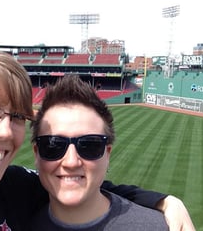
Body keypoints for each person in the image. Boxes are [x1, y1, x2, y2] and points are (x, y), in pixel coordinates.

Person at [0, 48, 195, 230]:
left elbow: (80, 180)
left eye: (17, 116)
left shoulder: (12, 186)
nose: (5, 131)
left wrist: (164, 201)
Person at [30, 75, 170, 230]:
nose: (71, 162)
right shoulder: (19, 222)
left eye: (90, 145)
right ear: (37, 153)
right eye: (53, 146)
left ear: (107, 154)